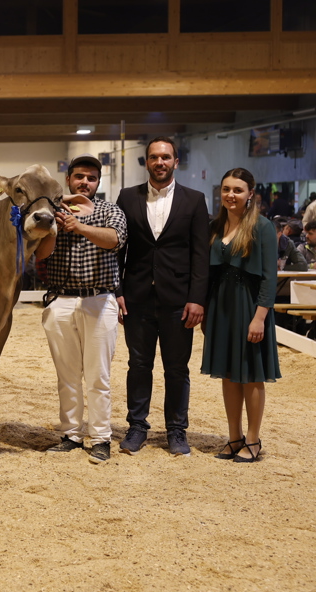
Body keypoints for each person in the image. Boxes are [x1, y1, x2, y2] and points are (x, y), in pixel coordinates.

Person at [116, 137, 209, 457]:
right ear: (146, 162)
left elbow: (201, 254)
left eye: (166, 157)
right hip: (137, 297)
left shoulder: (195, 200)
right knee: (138, 365)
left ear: (176, 162)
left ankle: (176, 430)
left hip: (179, 301)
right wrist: (117, 291)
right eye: (154, 157)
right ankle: (137, 427)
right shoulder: (127, 198)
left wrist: (197, 298)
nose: (160, 162)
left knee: (177, 369)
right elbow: (119, 250)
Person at [34, 155, 127, 464]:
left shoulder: (109, 210)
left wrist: (80, 226)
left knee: (98, 375)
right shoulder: (52, 211)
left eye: (91, 178)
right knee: (67, 374)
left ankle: (101, 438)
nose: (85, 182)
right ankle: (71, 434)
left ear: (98, 182)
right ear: (68, 179)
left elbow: (115, 240)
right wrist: (53, 229)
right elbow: (42, 255)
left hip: (99, 300)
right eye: (79, 177)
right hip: (61, 300)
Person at [201, 168, 280, 463]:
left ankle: (253, 439)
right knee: (228, 373)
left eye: (237, 190)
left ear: (250, 194)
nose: (230, 195)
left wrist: (259, 317)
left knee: (251, 374)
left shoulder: (263, 227)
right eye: (226, 189)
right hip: (221, 306)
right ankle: (233, 436)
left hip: (250, 307)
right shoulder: (215, 226)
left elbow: (270, 278)